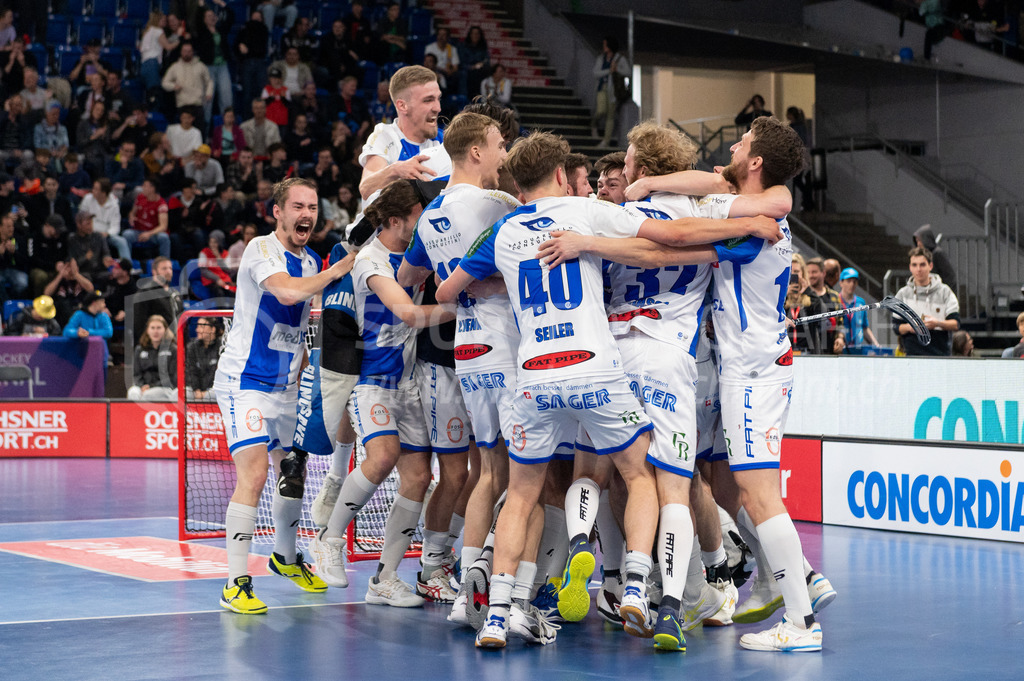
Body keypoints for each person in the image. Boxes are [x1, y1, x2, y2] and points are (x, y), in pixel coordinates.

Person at [396, 112, 522, 620]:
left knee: (486, 471)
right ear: (476, 152)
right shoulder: (497, 204)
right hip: (510, 350)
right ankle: (506, 587)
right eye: (498, 145)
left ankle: (468, 593)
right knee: (524, 475)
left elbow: (407, 275)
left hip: (466, 351)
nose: (504, 155)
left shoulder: (430, 215)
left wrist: (456, 279)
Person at [309, 180, 454, 606]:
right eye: (417, 215)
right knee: (383, 456)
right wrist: (466, 305)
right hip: (369, 381)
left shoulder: (417, 255)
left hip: (407, 383)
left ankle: (385, 578)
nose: (424, 221)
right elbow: (408, 313)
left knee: (419, 477)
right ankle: (329, 539)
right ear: (395, 220)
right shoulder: (370, 260)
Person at [214, 177, 354, 615]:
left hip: (286, 387)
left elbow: (298, 326)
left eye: (312, 207)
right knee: (254, 475)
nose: (306, 214)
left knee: (292, 470)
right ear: (277, 211)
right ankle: (236, 582)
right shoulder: (262, 249)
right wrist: (336, 272)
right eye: (297, 206)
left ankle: (286, 556)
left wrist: (312, 365)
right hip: (245, 382)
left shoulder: (311, 258)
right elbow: (287, 292)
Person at [358, 66, 451, 201]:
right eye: (428, 100)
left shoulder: (445, 141)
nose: (438, 108)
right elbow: (366, 188)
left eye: (438, 99)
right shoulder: (385, 136)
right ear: (402, 106)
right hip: (377, 221)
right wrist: (396, 170)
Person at [894, 246, 960, 355]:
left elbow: (956, 324)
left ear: (930, 266)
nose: (918, 269)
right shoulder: (902, 294)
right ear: (910, 267)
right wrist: (910, 327)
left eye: (922, 264)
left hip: (940, 356)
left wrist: (937, 323)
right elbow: (896, 327)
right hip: (912, 357)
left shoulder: (945, 292)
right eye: (914, 265)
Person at [193, 6, 235, 124]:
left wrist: (222, 3)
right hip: (208, 68)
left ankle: (226, 130)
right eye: (208, 16)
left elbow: (230, 17)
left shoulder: (221, 30)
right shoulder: (202, 31)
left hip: (222, 67)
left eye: (213, 15)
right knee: (207, 101)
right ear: (204, 19)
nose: (212, 18)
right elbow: (197, 17)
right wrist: (201, 5)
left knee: (226, 98)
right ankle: (205, 134)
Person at [133, 255, 183, 348]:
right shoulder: (145, 293)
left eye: (170, 268)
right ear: (154, 271)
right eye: (164, 269)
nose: (168, 271)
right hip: (154, 345)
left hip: (176, 345)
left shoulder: (175, 294)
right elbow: (139, 323)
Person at [161, 42, 213, 131]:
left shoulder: (201, 66)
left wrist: (209, 93)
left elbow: (209, 81)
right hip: (183, 105)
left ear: (192, 52)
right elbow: (164, 83)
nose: (187, 54)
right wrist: (173, 86)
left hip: (197, 104)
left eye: (189, 51)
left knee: (200, 132)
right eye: (185, 51)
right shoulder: (175, 67)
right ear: (181, 52)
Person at [127, 314, 177, 401]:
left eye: (159, 328)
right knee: (133, 392)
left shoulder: (173, 349)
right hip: (143, 387)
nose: (155, 331)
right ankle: (136, 415)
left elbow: (172, 376)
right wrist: (141, 386)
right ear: (147, 330)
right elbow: (136, 374)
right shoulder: (140, 349)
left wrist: (151, 386)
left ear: (165, 330)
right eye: (152, 328)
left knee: (148, 395)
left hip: (165, 388)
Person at [591, 36, 629, 148]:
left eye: (605, 45)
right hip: (602, 88)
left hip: (613, 91)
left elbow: (628, 72)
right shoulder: (601, 58)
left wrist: (617, 69)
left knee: (610, 115)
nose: (603, 47)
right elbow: (596, 73)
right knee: (601, 110)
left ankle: (605, 141)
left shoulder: (619, 59)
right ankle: (593, 124)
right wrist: (609, 71)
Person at [805, 257, 845, 355]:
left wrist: (840, 338)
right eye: (808, 272)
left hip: (830, 351)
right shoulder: (803, 296)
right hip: (808, 351)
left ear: (823, 273)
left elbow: (840, 322)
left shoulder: (834, 296)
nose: (810, 276)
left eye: (814, 272)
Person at [234, 10, 270, 120]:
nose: (256, 21)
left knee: (261, 94)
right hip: (247, 63)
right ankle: (247, 122)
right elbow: (236, 47)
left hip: (260, 63)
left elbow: (260, 46)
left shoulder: (263, 29)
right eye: (254, 18)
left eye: (258, 18)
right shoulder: (243, 30)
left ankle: (261, 120)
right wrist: (240, 47)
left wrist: (246, 49)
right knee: (247, 95)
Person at [126, 179, 172, 259]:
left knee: (164, 237)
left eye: (145, 186)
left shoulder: (161, 204)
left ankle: (165, 262)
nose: (142, 188)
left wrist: (149, 234)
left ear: (152, 188)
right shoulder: (140, 197)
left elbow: (163, 226)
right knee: (127, 234)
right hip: (139, 231)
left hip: (153, 233)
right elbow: (132, 212)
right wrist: (131, 217)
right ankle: (127, 264)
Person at [837, 268, 879, 351]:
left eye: (854, 281)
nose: (852, 284)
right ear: (841, 283)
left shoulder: (860, 302)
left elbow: (864, 327)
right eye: (848, 281)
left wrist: (876, 345)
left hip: (856, 349)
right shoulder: (836, 301)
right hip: (840, 348)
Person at [185, 317, 222, 399]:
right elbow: (191, 371)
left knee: (211, 395)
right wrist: (197, 390)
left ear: (212, 329)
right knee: (178, 394)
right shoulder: (192, 347)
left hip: (215, 390)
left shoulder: (222, 348)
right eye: (197, 326)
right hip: (196, 390)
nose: (197, 330)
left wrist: (205, 393)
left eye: (202, 326)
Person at [913, 224, 957, 291]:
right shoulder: (924, 255)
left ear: (926, 240)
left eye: (920, 240)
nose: (918, 243)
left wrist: (945, 293)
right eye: (917, 241)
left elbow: (949, 276)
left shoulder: (937, 253)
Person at [460, 26, 490, 100]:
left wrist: (482, 64)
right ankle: (467, 98)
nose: (475, 36)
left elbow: (486, 61)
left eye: (477, 34)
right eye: (473, 34)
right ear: (470, 35)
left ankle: (482, 99)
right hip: (467, 71)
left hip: (480, 71)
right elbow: (461, 62)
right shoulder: (463, 47)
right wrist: (471, 67)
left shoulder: (483, 48)